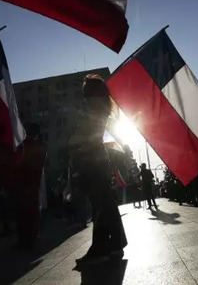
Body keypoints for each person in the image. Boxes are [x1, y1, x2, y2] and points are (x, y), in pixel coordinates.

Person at [74, 75, 127, 265]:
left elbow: (89, 135)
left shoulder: (94, 107)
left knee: (102, 204)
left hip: (94, 159)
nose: (83, 92)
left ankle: (106, 245)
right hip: (96, 158)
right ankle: (110, 245)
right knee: (103, 204)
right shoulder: (100, 105)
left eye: (86, 89)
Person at [14, 123, 47, 250]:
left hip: (25, 183)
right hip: (34, 184)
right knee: (31, 213)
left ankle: (25, 240)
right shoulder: (41, 146)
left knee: (24, 213)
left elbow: (20, 162)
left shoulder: (26, 145)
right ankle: (31, 239)